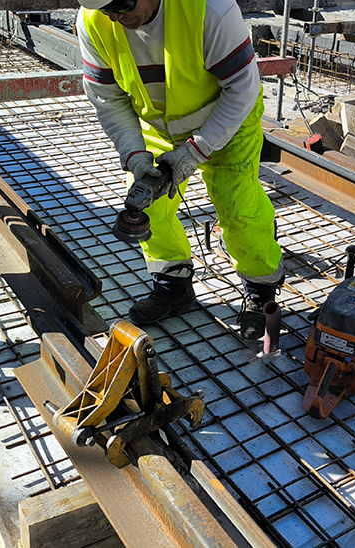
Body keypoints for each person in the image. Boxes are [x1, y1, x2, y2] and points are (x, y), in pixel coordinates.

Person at [76, 0, 284, 340]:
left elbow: (242, 88)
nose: (115, 16)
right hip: (160, 127)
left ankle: (261, 289)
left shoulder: (209, 9)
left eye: (122, 4)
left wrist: (196, 150)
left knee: (236, 205)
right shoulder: (93, 21)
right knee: (149, 203)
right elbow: (108, 98)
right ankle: (173, 284)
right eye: (106, 9)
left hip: (229, 119)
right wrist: (134, 154)